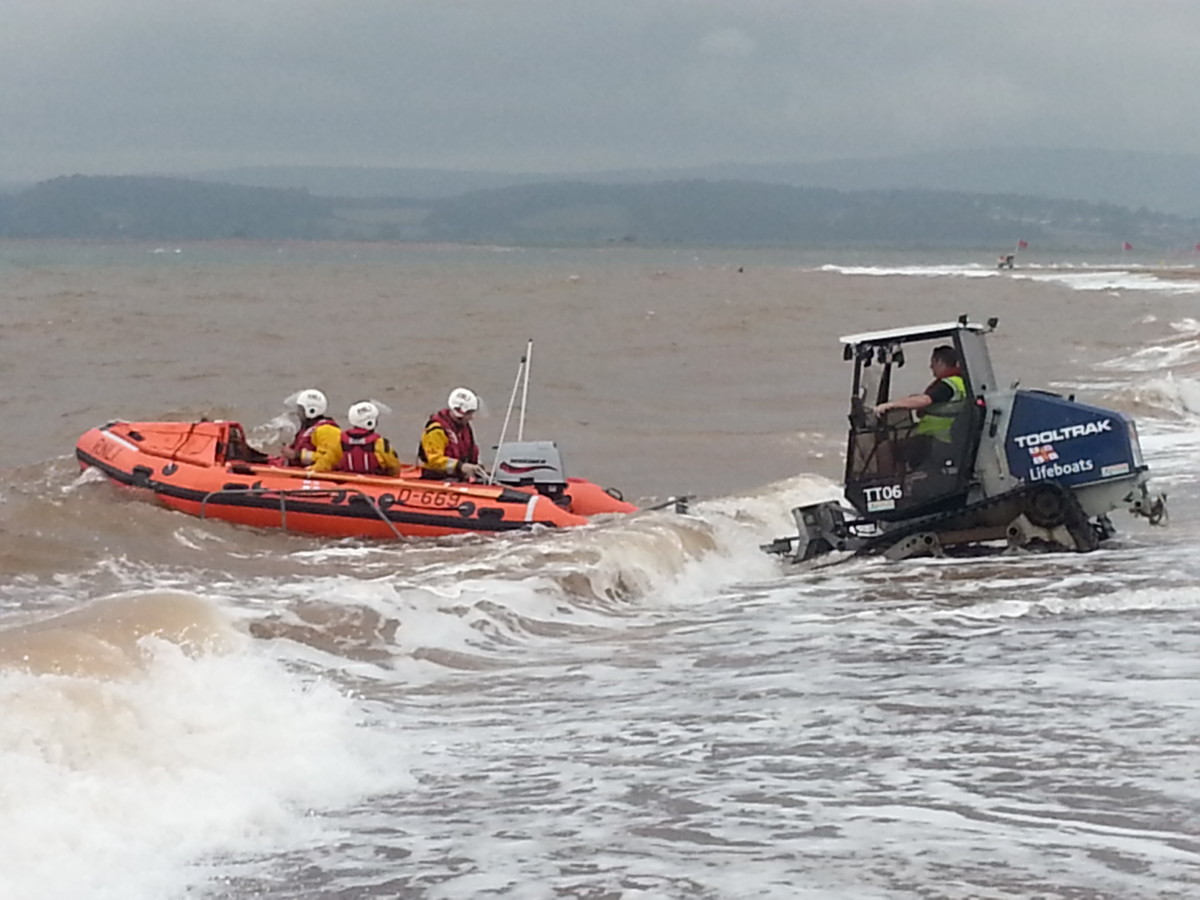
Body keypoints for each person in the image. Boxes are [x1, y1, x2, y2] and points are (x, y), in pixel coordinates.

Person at [872, 345, 967, 469]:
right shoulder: (962, 382)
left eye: (932, 362)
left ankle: (889, 484)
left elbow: (925, 400)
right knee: (905, 446)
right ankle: (907, 482)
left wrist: (890, 405)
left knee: (885, 448)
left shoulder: (947, 384)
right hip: (951, 438)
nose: (930, 367)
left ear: (939, 361)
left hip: (936, 438)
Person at [417, 387, 485, 481]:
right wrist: (461, 467)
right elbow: (434, 460)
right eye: (469, 413)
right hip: (437, 479)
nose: (472, 417)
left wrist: (476, 467)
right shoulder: (437, 431)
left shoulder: (464, 428)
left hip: (458, 477)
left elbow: (472, 451)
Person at [320, 400, 401, 476]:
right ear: (371, 422)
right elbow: (394, 467)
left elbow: (326, 463)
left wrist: (312, 470)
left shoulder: (340, 441)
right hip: (374, 483)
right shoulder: (380, 443)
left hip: (347, 481)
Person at [280, 388, 341, 470]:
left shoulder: (326, 430)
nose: (298, 413)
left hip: (315, 475)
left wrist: (297, 455)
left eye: (301, 410)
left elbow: (329, 459)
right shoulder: (307, 429)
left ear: (311, 410)